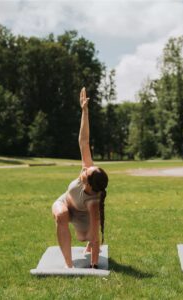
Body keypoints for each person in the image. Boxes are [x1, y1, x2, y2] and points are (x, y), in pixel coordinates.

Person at [52, 87, 108, 269]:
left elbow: (95, 233)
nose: (85, 169)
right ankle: (68, 264)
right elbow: (84, 141)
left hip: (82, 215)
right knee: (60, 215)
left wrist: (94, 264)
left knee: (85, 237)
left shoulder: (93, 202)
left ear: (89, 185)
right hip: (65, 202)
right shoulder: (88, 169)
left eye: (87, 172)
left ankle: (87, 248)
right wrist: (85, 111)